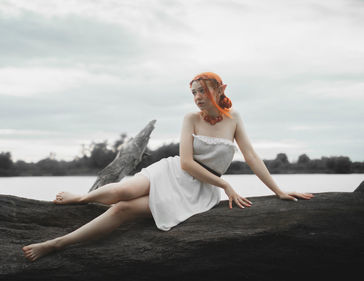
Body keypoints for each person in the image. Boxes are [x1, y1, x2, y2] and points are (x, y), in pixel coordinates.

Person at [22, 71, 314, 262]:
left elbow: (251, 155)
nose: (198, 97)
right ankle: (83, 197)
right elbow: (186, 162)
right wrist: (226, 184)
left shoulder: (234, 118)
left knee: (123, 210)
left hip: (199, 191)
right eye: (194, 93)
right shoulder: (190, 119)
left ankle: (57, 244)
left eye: (202, 90)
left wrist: (278, 190)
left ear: (220, 88)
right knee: (124, 189)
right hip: (173, 171)